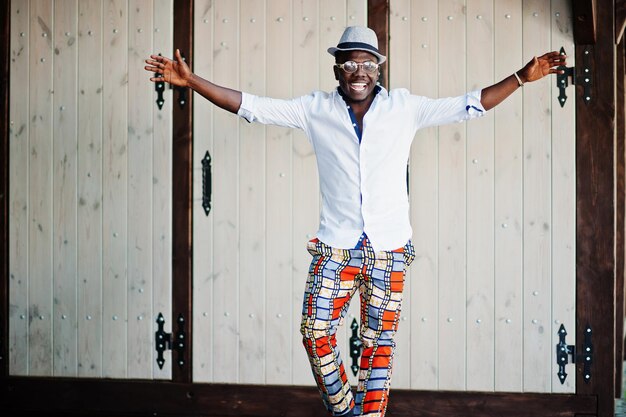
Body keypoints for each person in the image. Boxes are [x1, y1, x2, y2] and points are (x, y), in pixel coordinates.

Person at [145, 26, 566, 417]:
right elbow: (253, 107)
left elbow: (469, 104)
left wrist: (521, 77)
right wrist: (194, 81)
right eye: (349, 64)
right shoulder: (315, 110)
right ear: (337, 70)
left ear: (378, 68)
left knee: (377, 350)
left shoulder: (405, 108)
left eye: (367, 64)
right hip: (337, 247)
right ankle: (346, 411)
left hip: (390, 253)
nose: (358, 72)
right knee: (314, 330)